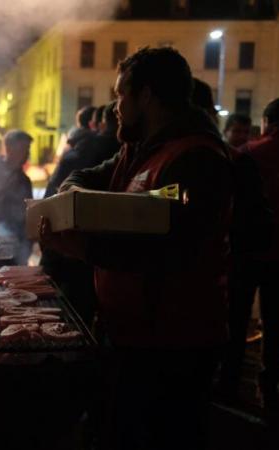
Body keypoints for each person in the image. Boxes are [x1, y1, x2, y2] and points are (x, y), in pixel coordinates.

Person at [40, 47, 232, 450]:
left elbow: (173, 251)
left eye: (120, 95)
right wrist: (69, 195)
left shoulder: (194, 158)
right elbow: (89, 174)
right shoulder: (139, 148)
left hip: (173, 344)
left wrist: (84, 248)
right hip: (131, 332)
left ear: (146, 95)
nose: (115, 107)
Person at [220, 98, 279, 411]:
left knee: (237, 320)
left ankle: (228, 383)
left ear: (267, 122)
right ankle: (269, 386)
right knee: (276, 323)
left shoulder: (248, 154)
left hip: (247, 253)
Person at [41, 102, 121, 326]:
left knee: (66, 325)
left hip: (78, 261)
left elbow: (50, 198)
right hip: (84, 261)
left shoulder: (96, 150)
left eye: (123, 95)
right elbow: (71, 181)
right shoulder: (123, 152)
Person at [0, 130, 34, 264]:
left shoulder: (24, 179)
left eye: (28, 149)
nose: (28, 154)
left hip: (18, 243)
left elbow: (27, 212)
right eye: (24, 149)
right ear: (9, 148)